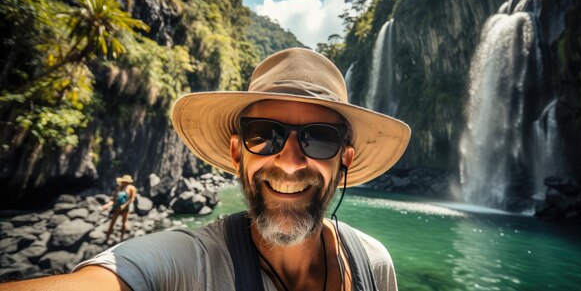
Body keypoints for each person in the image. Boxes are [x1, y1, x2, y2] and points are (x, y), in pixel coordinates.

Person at [0, 48, 410, 290]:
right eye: (264, 134)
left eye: (319, 138)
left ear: (345, 160)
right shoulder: (192, 265)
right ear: (236, 154)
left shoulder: (373, 265)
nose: (288, 161)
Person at [100, 174, 137, 243]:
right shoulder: (119, 188)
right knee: (112, 222)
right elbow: (114, 200)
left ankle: (121, 238)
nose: (124, 183)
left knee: (124, 222)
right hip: (117, 208)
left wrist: (124, 205)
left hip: (125, 209)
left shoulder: (132, 188)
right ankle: (107, 238)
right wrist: (107, 205)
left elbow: (132, 199)